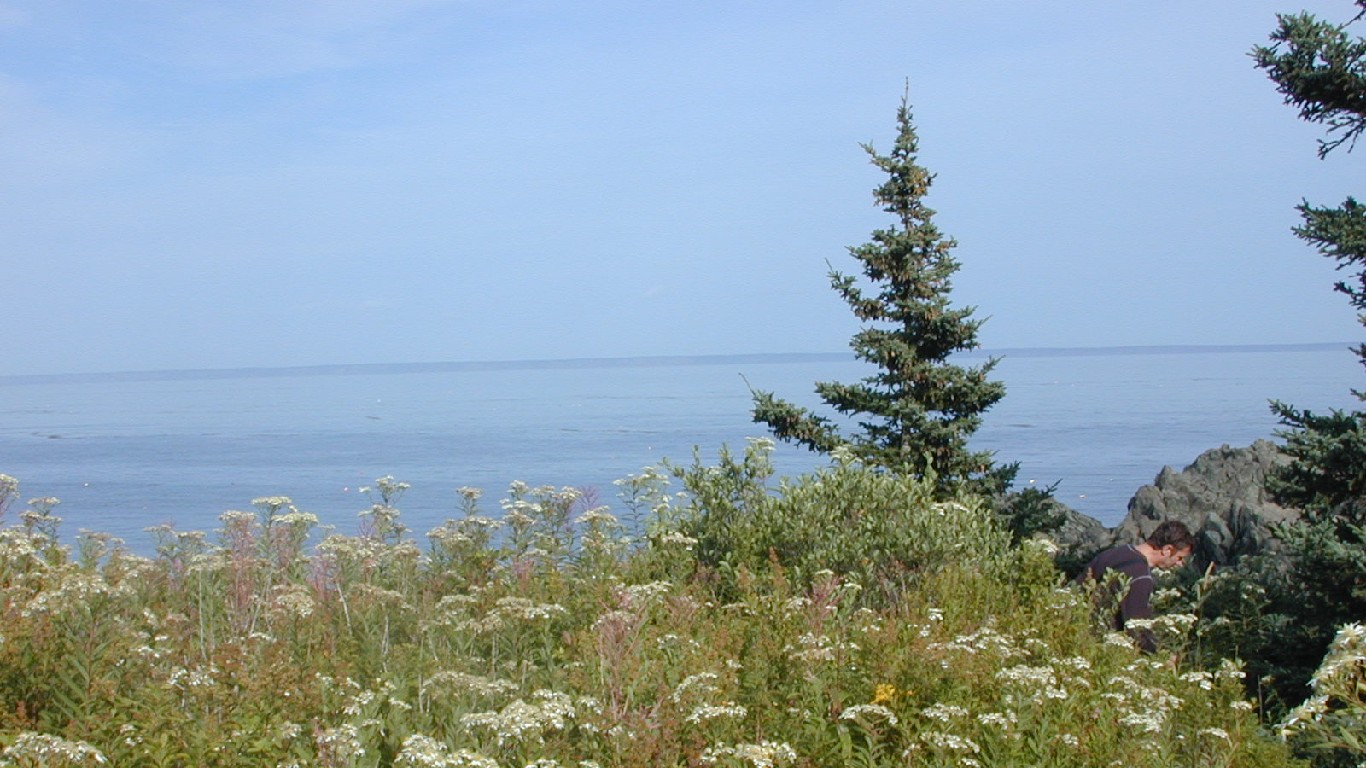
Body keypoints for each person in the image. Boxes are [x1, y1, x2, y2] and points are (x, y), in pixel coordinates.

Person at [1077, 520, 1195, 654]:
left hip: (1078, 629)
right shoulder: (1141, 578)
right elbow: (1137, 630)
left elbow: (1078, 586)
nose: (1179, 564)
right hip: (1100, 646)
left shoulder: (1113, 553)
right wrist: (1158, 655)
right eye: (1179, 558)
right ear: (1167, 550)